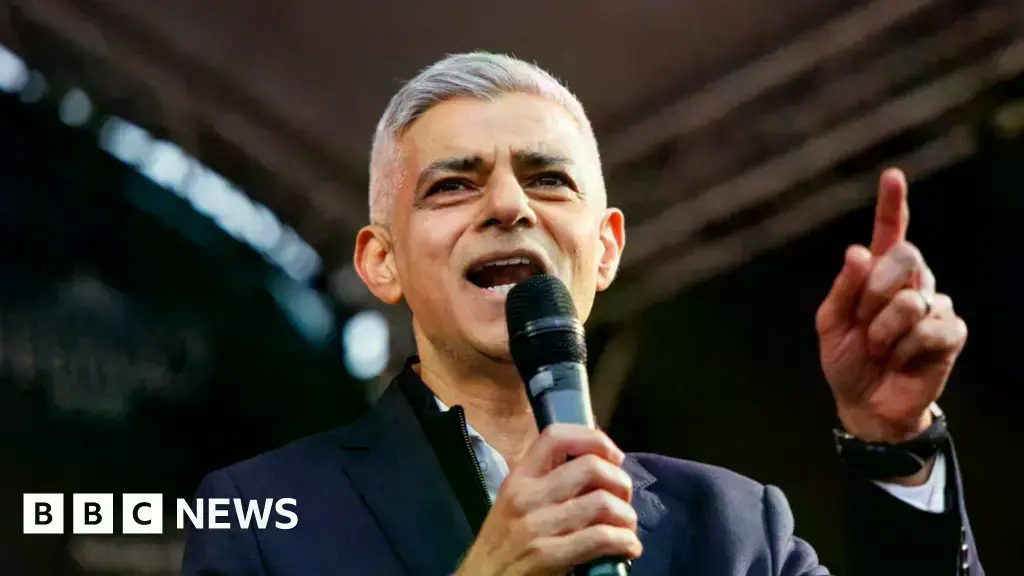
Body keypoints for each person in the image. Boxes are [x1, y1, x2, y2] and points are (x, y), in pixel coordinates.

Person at [181, 52, 982, 575]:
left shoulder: (733, 530)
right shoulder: (263, 516)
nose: (506, 205)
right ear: (380, 262)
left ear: (605, 249)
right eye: (453, 185)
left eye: (547, 179)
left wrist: (894, 445)